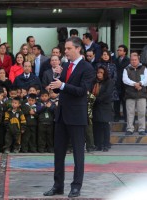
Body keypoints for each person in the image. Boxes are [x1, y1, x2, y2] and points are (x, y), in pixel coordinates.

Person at [44, 37, 95, 198]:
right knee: (58, 152)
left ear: (78, 49)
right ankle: (58, 186)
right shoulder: (65, 65)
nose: (65, 51)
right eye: (65, 49)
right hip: (61, 115)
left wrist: (63, 85)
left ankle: (76, 186)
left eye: (68, 48)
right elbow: (58, 89)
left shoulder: (87, 68)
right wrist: (57, 78)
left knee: (78, 154)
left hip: (76, 116)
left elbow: (82, 91)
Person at [123, 52, 147, 136]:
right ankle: (130, 128)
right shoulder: (126, 69)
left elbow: (146, 80)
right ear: (130, 60)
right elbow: (125, 80)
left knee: (142, 112)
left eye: (135, 60)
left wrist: (140, 83)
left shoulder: (144, 68)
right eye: (132, 60)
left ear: (138, 59)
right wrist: (135, 84)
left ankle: (142, 129)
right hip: (130, 94)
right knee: (130, 113)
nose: (133, 61)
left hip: (142, 94)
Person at [92, 66, 114, 151]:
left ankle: (106, 144)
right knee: (96, 126)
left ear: (105, 73)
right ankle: (98, 145)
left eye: (101, 72)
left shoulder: (109, 82)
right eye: (98, 72)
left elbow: (108, 93)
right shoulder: (94, 82)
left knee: (105, 126)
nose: (99, 74)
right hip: (96, 106)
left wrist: (97, 99)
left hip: (105, 106)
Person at [114, 44, 130, 122]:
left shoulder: (128, 60)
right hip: (117, 83)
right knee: (116, 101)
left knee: (124, 101)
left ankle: (126, 116)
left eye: (120, 50)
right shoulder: (115, 60)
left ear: (125, 52)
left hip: (125, 84)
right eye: (118, 50)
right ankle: (117, 116)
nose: (118, 51)